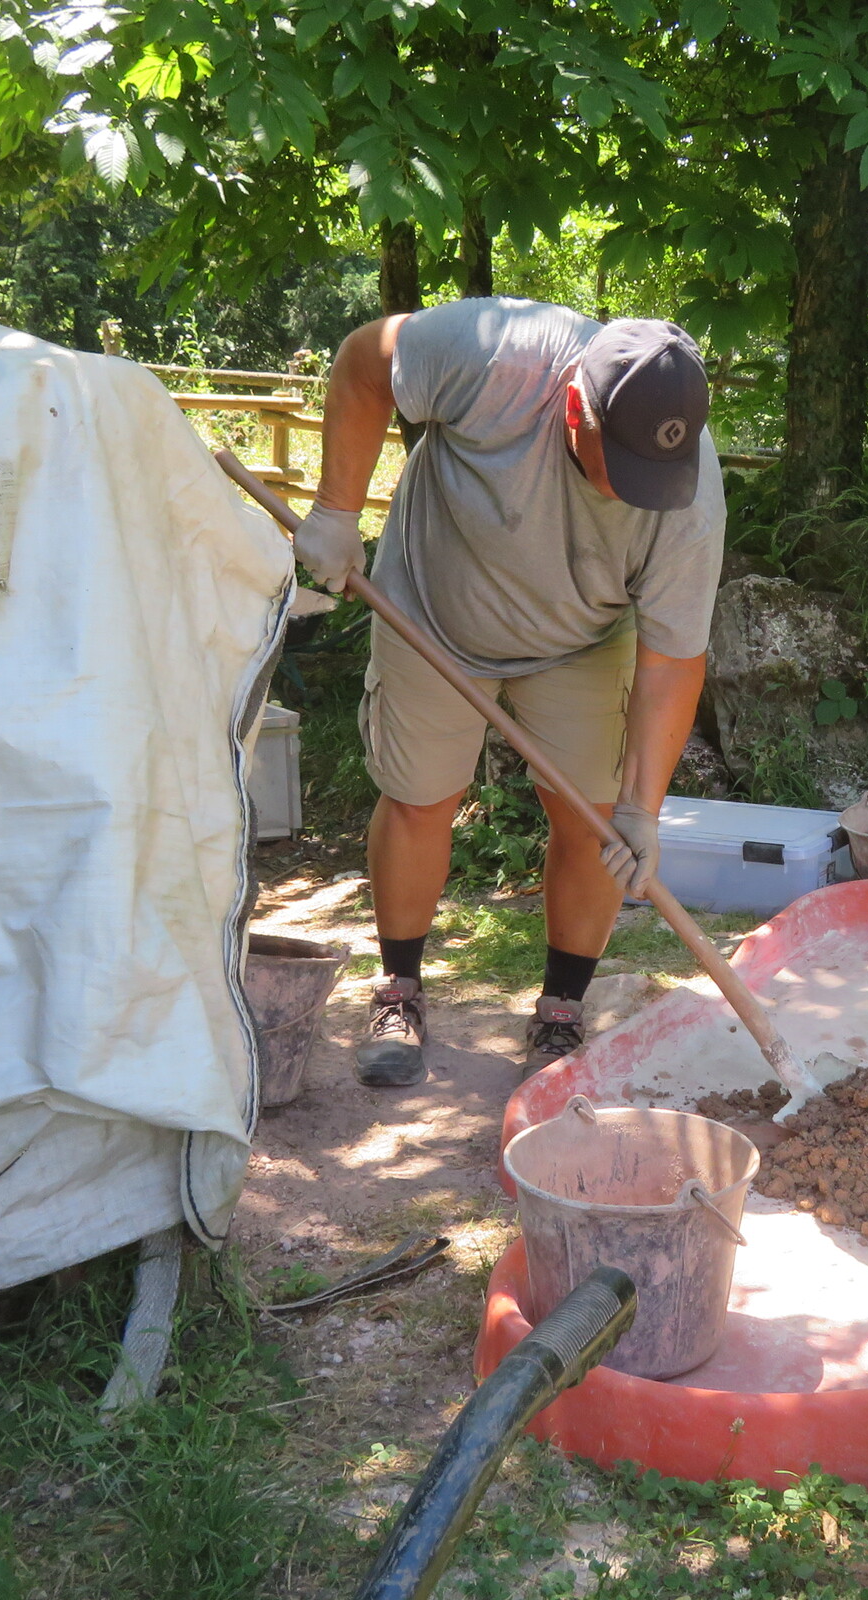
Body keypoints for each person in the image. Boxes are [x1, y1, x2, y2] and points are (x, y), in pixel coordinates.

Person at [292, 298, 722, 1087]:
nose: (640, 493)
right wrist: (335, 511)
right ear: (574, 409)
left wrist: (642, 808)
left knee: (595, 823)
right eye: (621, 467)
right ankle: (399, 990)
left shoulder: (687, 494)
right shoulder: (497, 356)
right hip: (431, 607)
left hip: (582, 637)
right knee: (419, 800)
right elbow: (363, 362)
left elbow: (671, 661)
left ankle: (561, 1010)